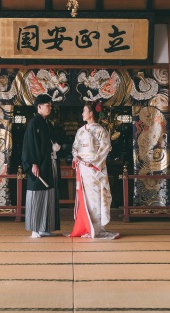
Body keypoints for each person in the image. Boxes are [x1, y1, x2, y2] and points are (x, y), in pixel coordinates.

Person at [68, 102, 119, 239]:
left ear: (91, 113)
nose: (82, 114)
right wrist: (76, 156)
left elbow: (105, 148)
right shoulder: (80, 131)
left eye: (84, 111)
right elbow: (75, 147)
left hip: (94, 168)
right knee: (84, 197)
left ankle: (96, 227)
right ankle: (86, 226)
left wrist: (94, 163)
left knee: (95, 196)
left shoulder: (101, 130)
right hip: (83, 168)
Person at [22, 93, 60, 238]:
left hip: (49, 164)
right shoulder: (33, 123)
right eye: (47, 105)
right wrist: (33, 163)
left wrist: (55, 145)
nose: (50, 108)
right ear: (39, 106)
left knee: (49, 195)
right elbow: (29, 145)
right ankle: (35, 229)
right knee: (36, 194)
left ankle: (45, 227)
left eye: (50, 105)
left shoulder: (48, 123)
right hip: (38, 164)